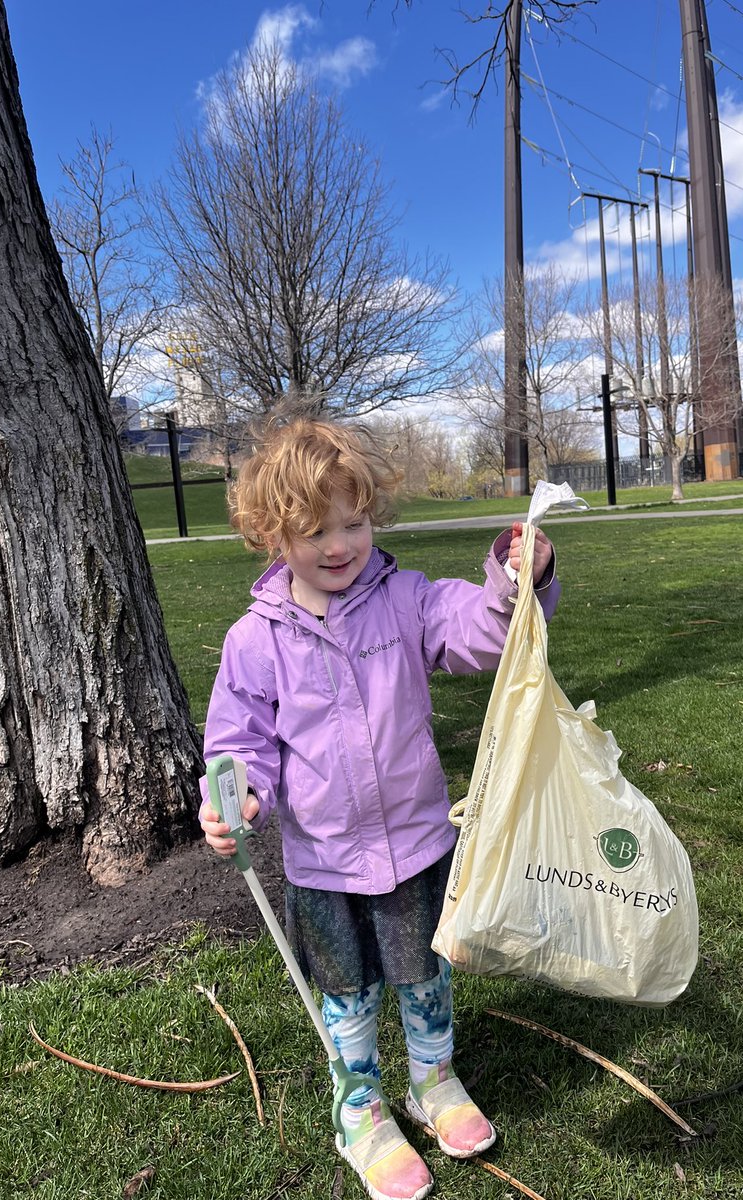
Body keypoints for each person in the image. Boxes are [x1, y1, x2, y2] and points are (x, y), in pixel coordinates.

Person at [199, 417, 559, 1200]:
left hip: (416, 844)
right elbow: (239, 739)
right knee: (348, 987)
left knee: (422, 971)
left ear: (373, 518)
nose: (338, 544)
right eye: (313, 529)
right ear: (272, 534)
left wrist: (514, 577)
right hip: (324, 861)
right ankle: (359, 1104)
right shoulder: (255, 641)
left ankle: (433, 1082)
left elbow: (481, 632)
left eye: (353, 523)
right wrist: (239, 799)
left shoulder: (404, 600)